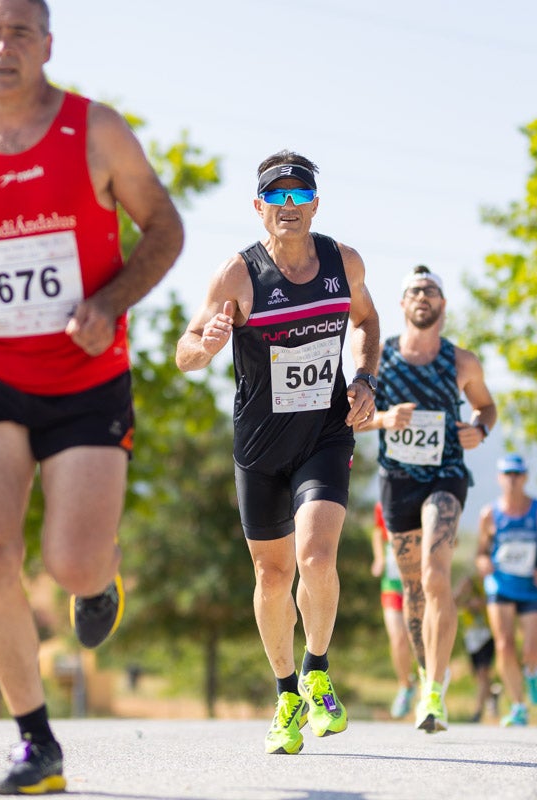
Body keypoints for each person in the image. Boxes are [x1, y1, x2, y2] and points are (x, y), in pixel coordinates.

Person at [0, 0, 184, 793]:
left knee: (71, 563)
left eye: (21, 32)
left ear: (47, 45)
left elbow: (165, 229)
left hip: (88, 376)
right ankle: (35, 741)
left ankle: (100, 576)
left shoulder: (96, 131)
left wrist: (112, 302)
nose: (4, 46)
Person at [175, 150, 379, 755]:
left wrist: (365, 379)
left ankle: (317, 670)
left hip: (324, 431)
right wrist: (207, 343)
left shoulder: (344, 263)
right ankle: (287, 691)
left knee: (316, 558)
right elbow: (185, 351)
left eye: (299, 196)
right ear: (259, 206)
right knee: (272, 573)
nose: (288, 207)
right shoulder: (238, 275)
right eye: (277, 196)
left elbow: (367, 323)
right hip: (261, 444)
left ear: (315, 204)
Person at [356, 264, 497, 734]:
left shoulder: (462, 361)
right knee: (413, 589)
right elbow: (352, 415)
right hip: (397, 480)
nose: (422, 296)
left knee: (437, 576)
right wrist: (383, 419)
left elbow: (487, 405)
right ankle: (425, 677)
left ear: (442, 305)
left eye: (431, 290)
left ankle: (434, 691)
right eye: (414, 290)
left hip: (446, 475)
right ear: (402, 304)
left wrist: (479, 428)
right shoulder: (379, 355)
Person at [476, 454, 537, 727]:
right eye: (507, 474)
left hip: (532, 588)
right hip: (501, 586)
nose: (512, 479)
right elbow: (481, 552)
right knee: (504, 645)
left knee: (533, 651)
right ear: (500, 478)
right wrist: (484, 562)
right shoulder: (490, 514)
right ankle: (518, 706)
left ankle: (533, 672)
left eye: (517, 474)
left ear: (524, 478)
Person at [370, 501, 417, 719]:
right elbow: (378, 533)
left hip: (417, 584)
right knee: (398, 638)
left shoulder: (425, 497)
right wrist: (379, 558)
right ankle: (405, 686)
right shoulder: (384, 503)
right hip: (392, 582)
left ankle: (429, 685)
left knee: (418, 637)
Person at [454, 573, 497, 723]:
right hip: (471, 635)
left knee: (483, 672)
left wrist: (482, 602)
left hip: (488, 633)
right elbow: (453, 602)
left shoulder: (493, 583)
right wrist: (463, 594)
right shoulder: (468, 583)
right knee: (478, 675)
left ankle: (478, 712)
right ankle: (492, 695)